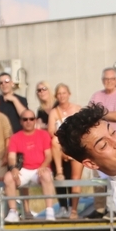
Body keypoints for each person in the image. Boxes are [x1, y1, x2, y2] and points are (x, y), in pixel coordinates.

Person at [3, 109, 58, 222]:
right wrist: (13, 168)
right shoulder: (15, 137)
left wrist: (43, 166)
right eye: (25, 119)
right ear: (21, 121)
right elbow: (11, 157)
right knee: (8, 178)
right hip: (23, 169)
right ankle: (13, 211)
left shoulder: (44, 134)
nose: (28, 121)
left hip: (39, 169)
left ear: (35, 120)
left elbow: (49, 156)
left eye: (31, 119)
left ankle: (49, 210)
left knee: (47, 176)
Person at [49, 83, 83, 217]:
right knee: (54, 140)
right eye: (59, 94)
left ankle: (74, 210)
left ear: (69, 94)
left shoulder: (77, 109)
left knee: (76, 178)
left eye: (64, 93)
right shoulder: (54, 112)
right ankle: (59, 171)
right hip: (62, 144)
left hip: (75, 144)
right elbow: (51, 131)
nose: (62, 96)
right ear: (56, 96)